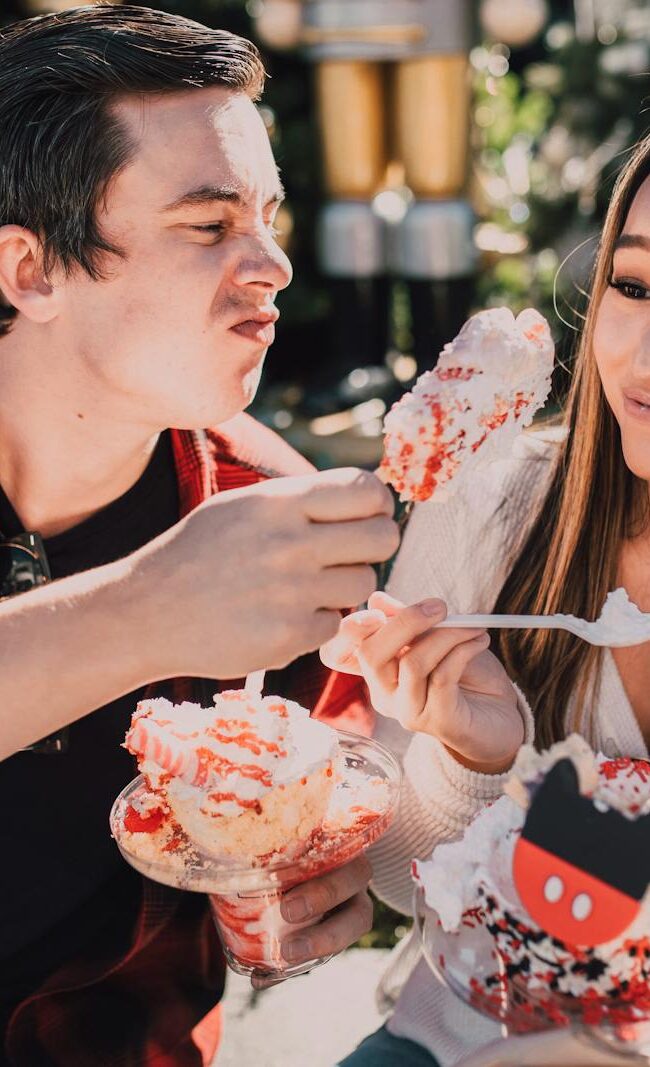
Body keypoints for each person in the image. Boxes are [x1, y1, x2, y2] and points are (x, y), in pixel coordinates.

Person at [0, 7, 400, 1065]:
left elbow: (337, 791)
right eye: (208, 222)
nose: (270, 261)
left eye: (269, 216)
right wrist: (142, 611)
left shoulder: (266, 510)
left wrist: (315, 874)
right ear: (29, 269)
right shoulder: (223, 553)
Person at [322, 129, 650, 1065]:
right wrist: (467, 758)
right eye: (634, 286)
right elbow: (395, 878)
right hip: (468, 1038)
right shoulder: (493, 496)